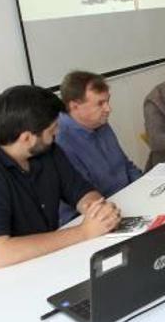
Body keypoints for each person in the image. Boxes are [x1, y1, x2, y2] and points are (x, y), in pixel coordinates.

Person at [0, 86, 121, 291]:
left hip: (43, 265)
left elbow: (80, 190)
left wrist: (97, 210)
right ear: (27, 138)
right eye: (52, 129)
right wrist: (84, 232)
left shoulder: (46, 150)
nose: (58, 131)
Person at [55, 71, 142, 224]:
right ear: (75, 106)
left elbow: (126, 165)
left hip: (128, 202)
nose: (108, 109)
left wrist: (145, 186)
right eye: (100, 103)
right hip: (95, 218)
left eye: (108, 101)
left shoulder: (99, 123)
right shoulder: (60, 141)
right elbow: (87, 198)